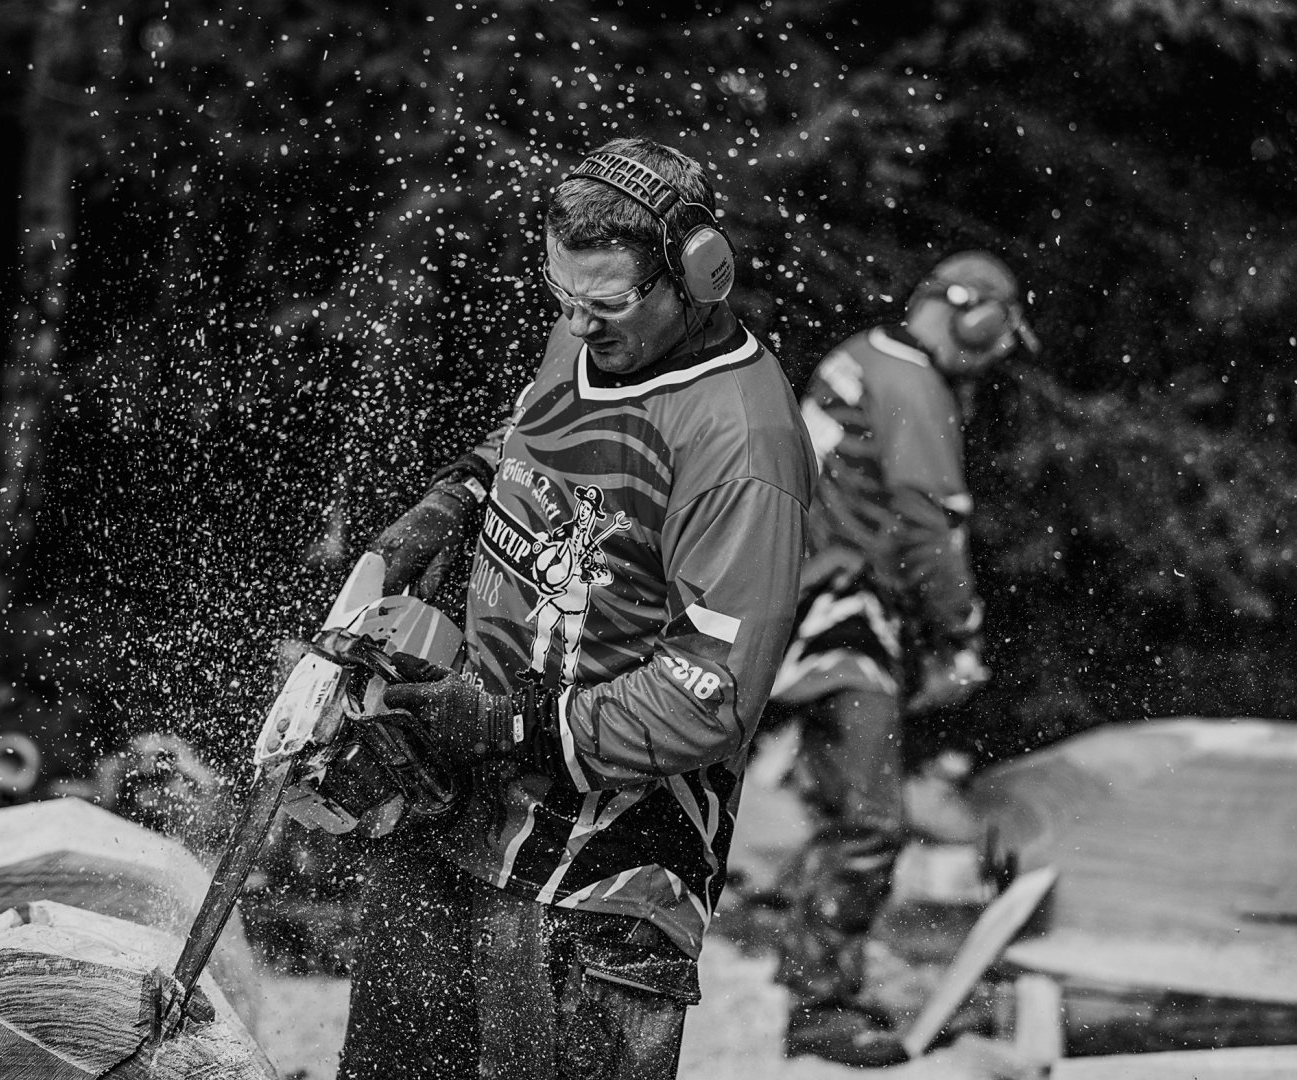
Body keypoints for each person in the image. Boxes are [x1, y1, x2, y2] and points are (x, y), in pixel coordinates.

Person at [339, 136, 815, 1079]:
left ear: (698, 276)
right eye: (561, 294)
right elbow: (531, 432)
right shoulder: (591, 332)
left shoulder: (742, 446)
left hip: (604, 874)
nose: (576, 322)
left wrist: (510, 721)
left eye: (605, 302)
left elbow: (712, 694)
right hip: (458, 806)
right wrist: (452, 500)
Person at [764, 250, 1039, 1065]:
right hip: (842, 618)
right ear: (971, 315)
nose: (990, 359)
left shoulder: (861, 355)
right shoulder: (915, 386)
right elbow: (929, 525)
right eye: (993, 337)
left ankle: (815, 978)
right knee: (869, 823)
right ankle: (818, 1006)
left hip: (796, 600)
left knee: (839, 814)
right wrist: (958, 639)